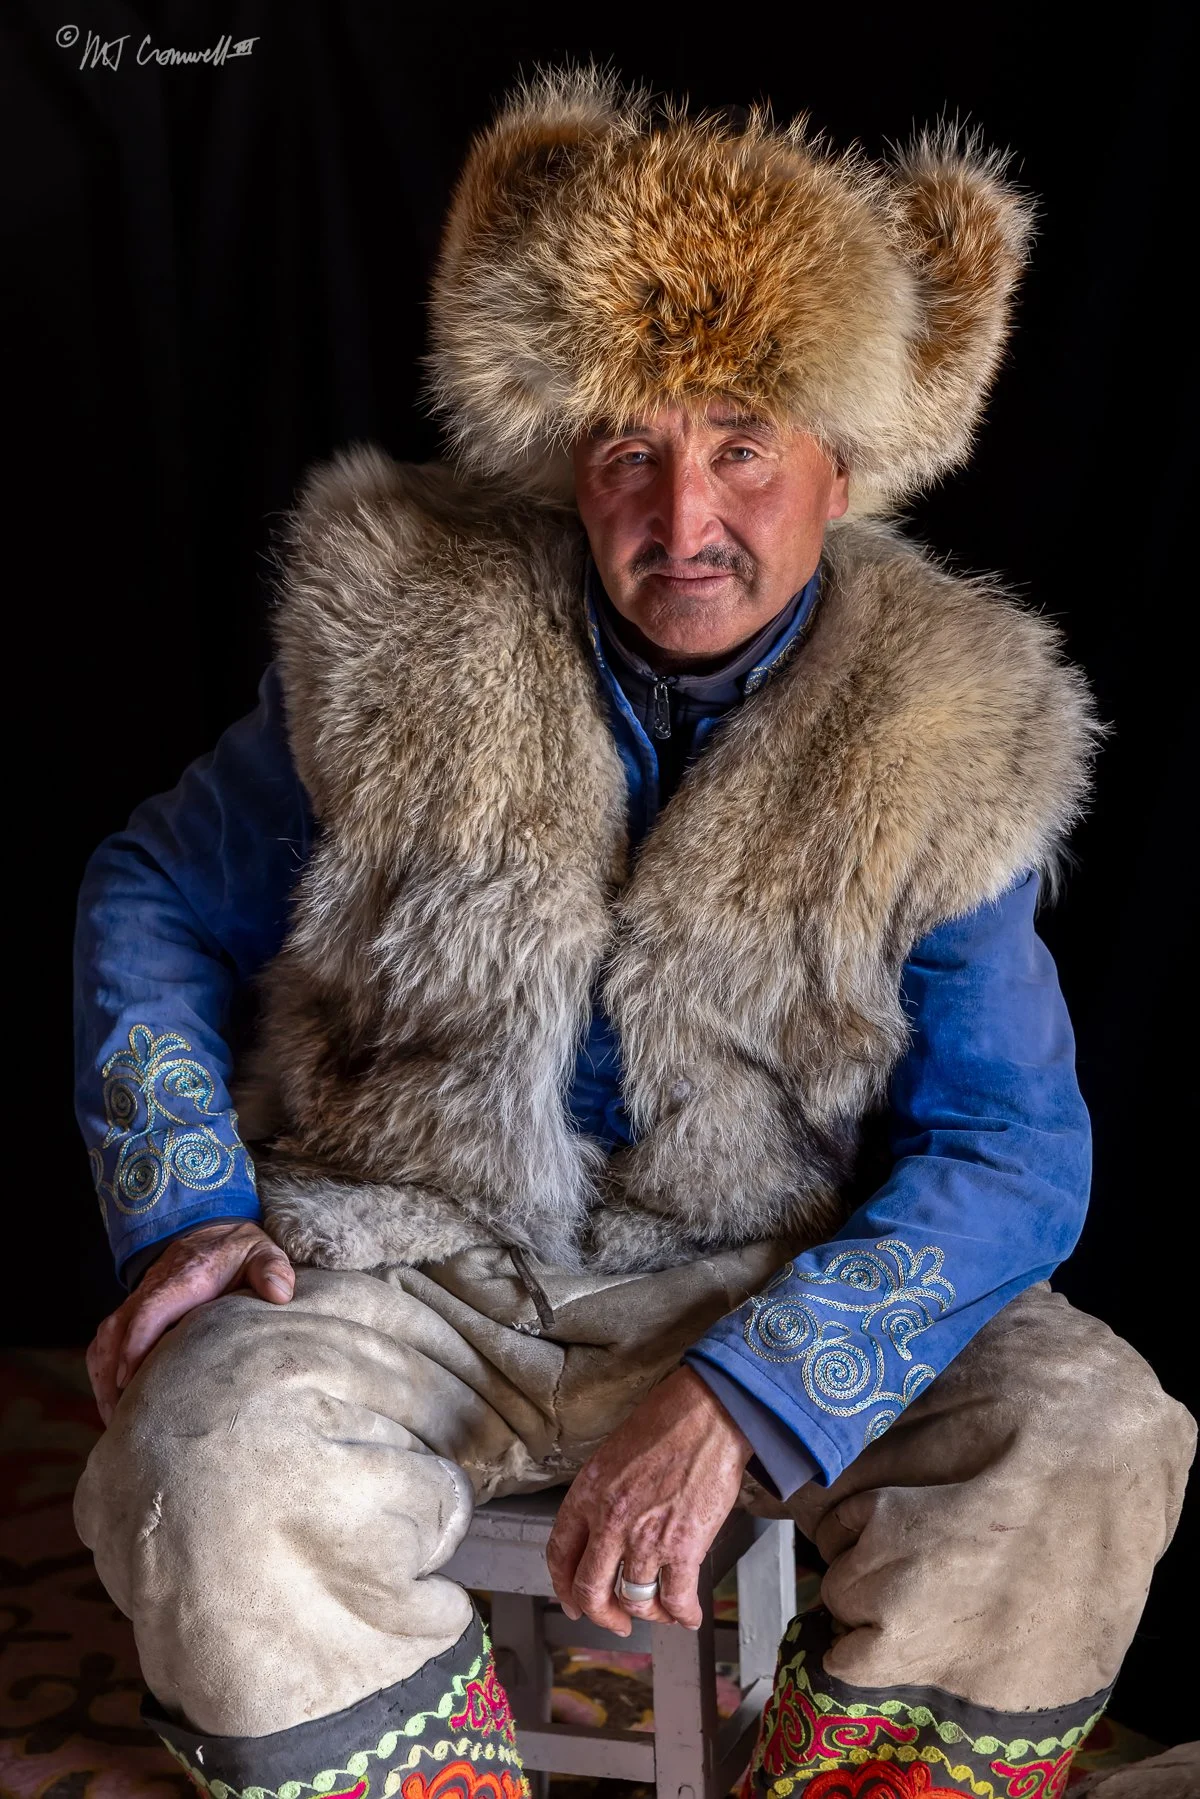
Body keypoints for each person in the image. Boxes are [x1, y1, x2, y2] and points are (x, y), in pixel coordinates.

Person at [73, 68, 1195, 1799]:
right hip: (409, 1263)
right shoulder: (399, 636)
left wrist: (750, 1395)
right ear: (566, 463)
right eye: (631, 450)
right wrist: (186, 1208)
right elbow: (152, 888)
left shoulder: (950, 724)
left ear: (844, 466)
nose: (686, 522)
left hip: (768, 1264)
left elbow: (1014, 1148)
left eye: (744, 445)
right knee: (205, 1460)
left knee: (1095, 1435)